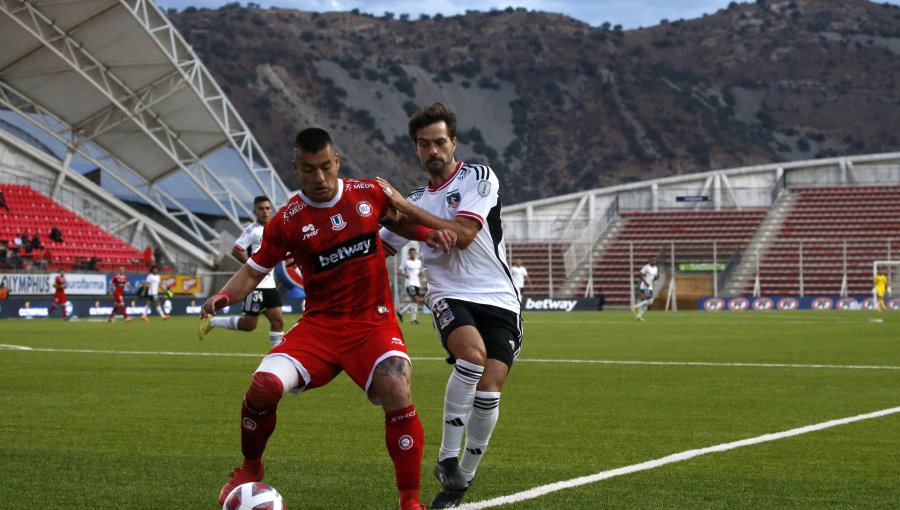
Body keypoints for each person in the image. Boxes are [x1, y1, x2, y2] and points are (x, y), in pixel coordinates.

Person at [202, 127, 455, 510]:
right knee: (263, 387)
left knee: (396, 387)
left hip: (373, 322)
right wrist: (223, 296)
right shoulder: (286, 220)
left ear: (337, 161)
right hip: (319, 327)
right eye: (308, 170)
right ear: (296, 168)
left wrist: (428, 234)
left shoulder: (368, 193)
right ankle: (250, 468)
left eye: (325, 167)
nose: (319, 178)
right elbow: (254, 271)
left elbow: (398, 221)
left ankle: (410, 501)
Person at [377, 103, 523, 509]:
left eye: (440, 142)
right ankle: (445, 458)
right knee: (472, 356)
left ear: (453, 143)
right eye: (424, 144)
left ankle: (459, 482)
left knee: (491, 384)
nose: (433, 150)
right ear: (417, 150)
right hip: (447, 293)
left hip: (499, 297)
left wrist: (401, 210)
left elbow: (462, 234)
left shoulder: (479, 176)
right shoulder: (418, 197)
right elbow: (381, 247)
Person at [198, 196, 285, 347]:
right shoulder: (253, 231)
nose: (264, 212)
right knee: (249, 325)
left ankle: (276, 357)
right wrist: (255, 266)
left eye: (267, 208)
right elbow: (236, 250)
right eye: (261, 209)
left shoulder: (274, 229)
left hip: (270, 285)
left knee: (278, 322)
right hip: (254, 284)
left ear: (271, 210)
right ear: (255, 211)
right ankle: (213, 321)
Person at [397, 247, 424, 324]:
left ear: (416, 253)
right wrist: (405, 274)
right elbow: (399, 271)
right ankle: (412, 320)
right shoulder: (406, 262)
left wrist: (421, 273)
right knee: (416, 300)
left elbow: (420, 272)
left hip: (417, 283)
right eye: (411, 253)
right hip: (409, 283)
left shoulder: (419, 262)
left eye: (414, 253)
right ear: (409, 254)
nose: (413, 254)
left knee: (415, 302)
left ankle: (402, 313)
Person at [633, 255, 659, 321]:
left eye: (654, 260)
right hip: (645, 286)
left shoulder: (655, 268)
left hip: (650, 286)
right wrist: (645, 282)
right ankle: (636, 306)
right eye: (652, 260)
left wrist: (657, 277)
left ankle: (638, 316)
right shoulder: (646, 267)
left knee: (646, 303)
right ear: (649, 260)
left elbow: (655, 278)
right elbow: (639, 274)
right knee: (650, 301)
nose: (653, 261)